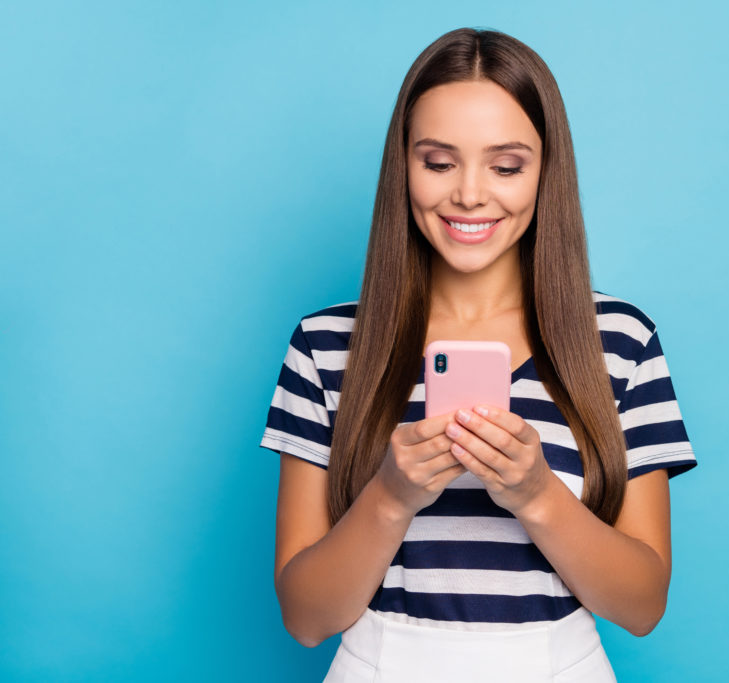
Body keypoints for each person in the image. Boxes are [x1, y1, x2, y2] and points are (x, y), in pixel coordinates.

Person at [259, 27, 697, 683]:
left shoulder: (621, 340)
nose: (469, 193)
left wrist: (537, 493)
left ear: (546, 171)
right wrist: (390, 494)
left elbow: (642, 605)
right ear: (401, 166)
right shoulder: (326, 348)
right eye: (437, 162)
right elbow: (306, 618)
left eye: (506, 165)